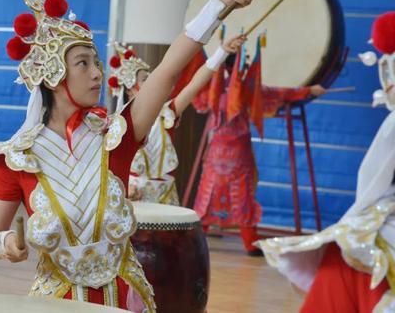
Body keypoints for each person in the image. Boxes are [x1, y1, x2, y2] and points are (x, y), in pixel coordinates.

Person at [0, 0, 262, 310]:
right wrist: (6, 244)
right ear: (51, 77)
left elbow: (167, 72)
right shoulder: (18, 158)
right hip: (58, 300)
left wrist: (217, 6)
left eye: (97, 62)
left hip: (123, 299)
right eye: (83, 64)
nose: (96, 73)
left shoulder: (116, 136)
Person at [257, 18, 395, 312]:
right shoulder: (229, 87)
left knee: (350, 249)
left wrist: (305, 93)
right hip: (228, 150)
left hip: (234, 151)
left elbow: (372, 186)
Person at [191, 48, 325, 255]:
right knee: (242, 195)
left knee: (207, 195)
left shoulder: (214, 89)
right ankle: (250, 243)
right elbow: (279, 93)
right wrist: (309, 90)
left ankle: (195, 240)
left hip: (216, 151)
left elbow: (197, 99)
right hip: (238, 153)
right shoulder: (247, 89)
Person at [108, 44, 238, 206]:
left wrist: (222, 52)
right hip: (133, 199)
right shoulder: (117, 125)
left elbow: (194, 85)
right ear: (129, 89)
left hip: (165, 199)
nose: (153, 83)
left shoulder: (167, 113)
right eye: (145, 79)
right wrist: (126, 189)